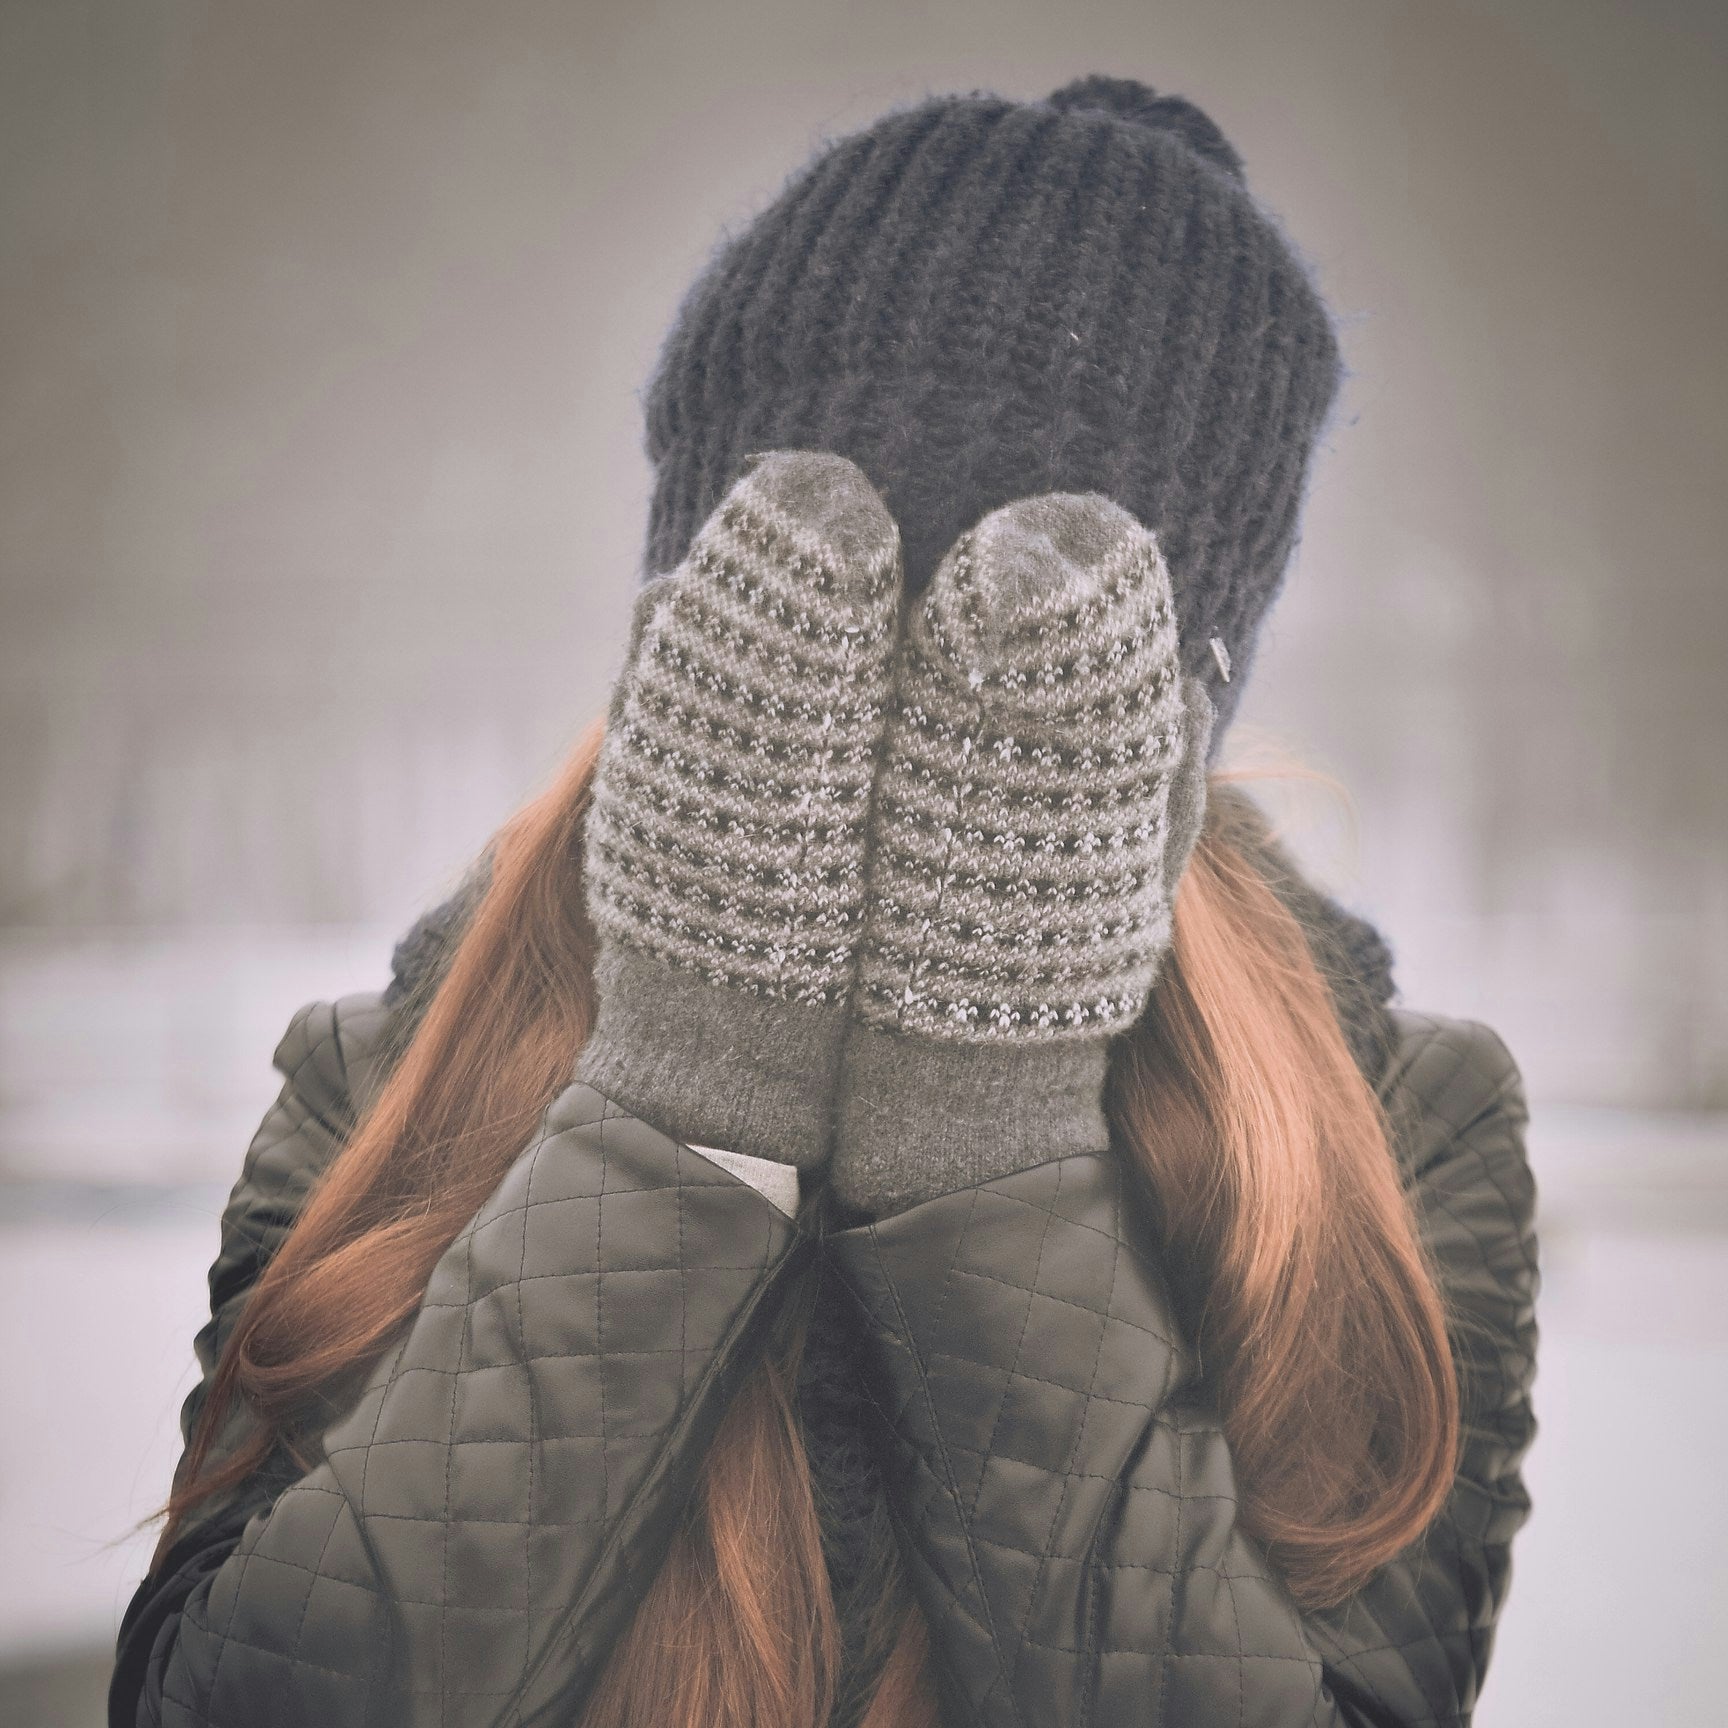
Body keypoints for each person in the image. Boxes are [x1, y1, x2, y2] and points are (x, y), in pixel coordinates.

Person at [108, 75, 1539, 1728]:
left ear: (1163, 714)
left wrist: (989, 1148)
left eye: (1019, 651)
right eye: (827, 602)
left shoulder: (1398, 1136)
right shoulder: (389, 1082)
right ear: (696, 633)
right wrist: (673, 1109)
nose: (901, 707)